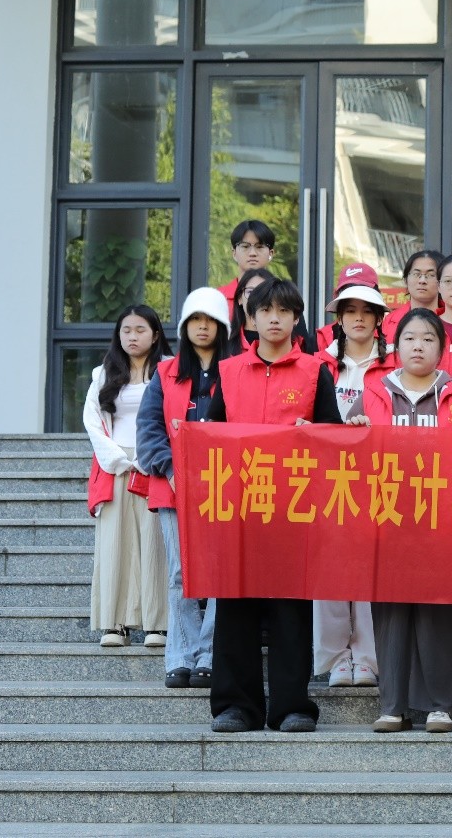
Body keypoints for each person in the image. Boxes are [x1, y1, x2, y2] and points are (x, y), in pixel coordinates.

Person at [204, 278, 343, 734]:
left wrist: (312, 434)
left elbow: (333, 435)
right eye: (266, 311)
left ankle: (291, 707)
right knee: (235, 609)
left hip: (293, 510)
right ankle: (235, 706)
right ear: (251, 318)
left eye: (284, 311)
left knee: (290, 612)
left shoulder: (314, 371)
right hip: (238, 508)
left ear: (297, 318)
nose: (275, 318)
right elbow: (210, 436)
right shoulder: (228, 372)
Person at [346, 308, 452, 733]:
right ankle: (392, 705)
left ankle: (439, 705)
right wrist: (354, 431)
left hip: (442, 522)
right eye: (410, 338)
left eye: (428, 339)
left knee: (437, 611)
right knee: (390, 613)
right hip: (386, 519)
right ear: (396, 346)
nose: (418, 346)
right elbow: (345, 458)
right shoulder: (372, 394)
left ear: (442, 349)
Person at [135, 289, 228, 689]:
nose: (202, 327)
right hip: (173, 487)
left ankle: (209, 653)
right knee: (179, 572)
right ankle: (181, 655)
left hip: (225, 486)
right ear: (185, 327)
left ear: (222, 327)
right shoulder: (165, 372)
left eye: (209, 320)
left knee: (219, 573)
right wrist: (170, 467)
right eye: (195, 320)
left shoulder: (235, 371)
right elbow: (148, 427)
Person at [315, 264, 393, 691]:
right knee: (328, 569)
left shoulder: (395, 362)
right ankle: (336, 659)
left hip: (379, 478)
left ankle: (367, 658)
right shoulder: (319, 365)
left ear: (379, 317)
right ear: (339, 318)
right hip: (326, 477)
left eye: (367, 310)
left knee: (369, 569)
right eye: (350, 310)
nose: (359, 318)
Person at [84, 305, 171, 650]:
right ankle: (114, 623)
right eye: (126, 330)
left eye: (140, 330)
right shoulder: (103, 374)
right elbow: (92, 421)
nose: (132, 336)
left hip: (156, 465)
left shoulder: (169, 370)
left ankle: (157, 624)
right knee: (114, 544)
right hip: (115, 466)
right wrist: (120, 460)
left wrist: (150, 457)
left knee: (155, 543)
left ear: (155, 334)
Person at [381, 249, 444, 342]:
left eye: (431, 275)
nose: (422, 280)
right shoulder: (389, 321)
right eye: (416, 274)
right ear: (406, 280)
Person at [216, 219, 276, 317]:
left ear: (271, 253)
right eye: (245, 246)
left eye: (259, 247)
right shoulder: (218, 298)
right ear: (234, 253)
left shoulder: (284, 297)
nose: (252, 253)